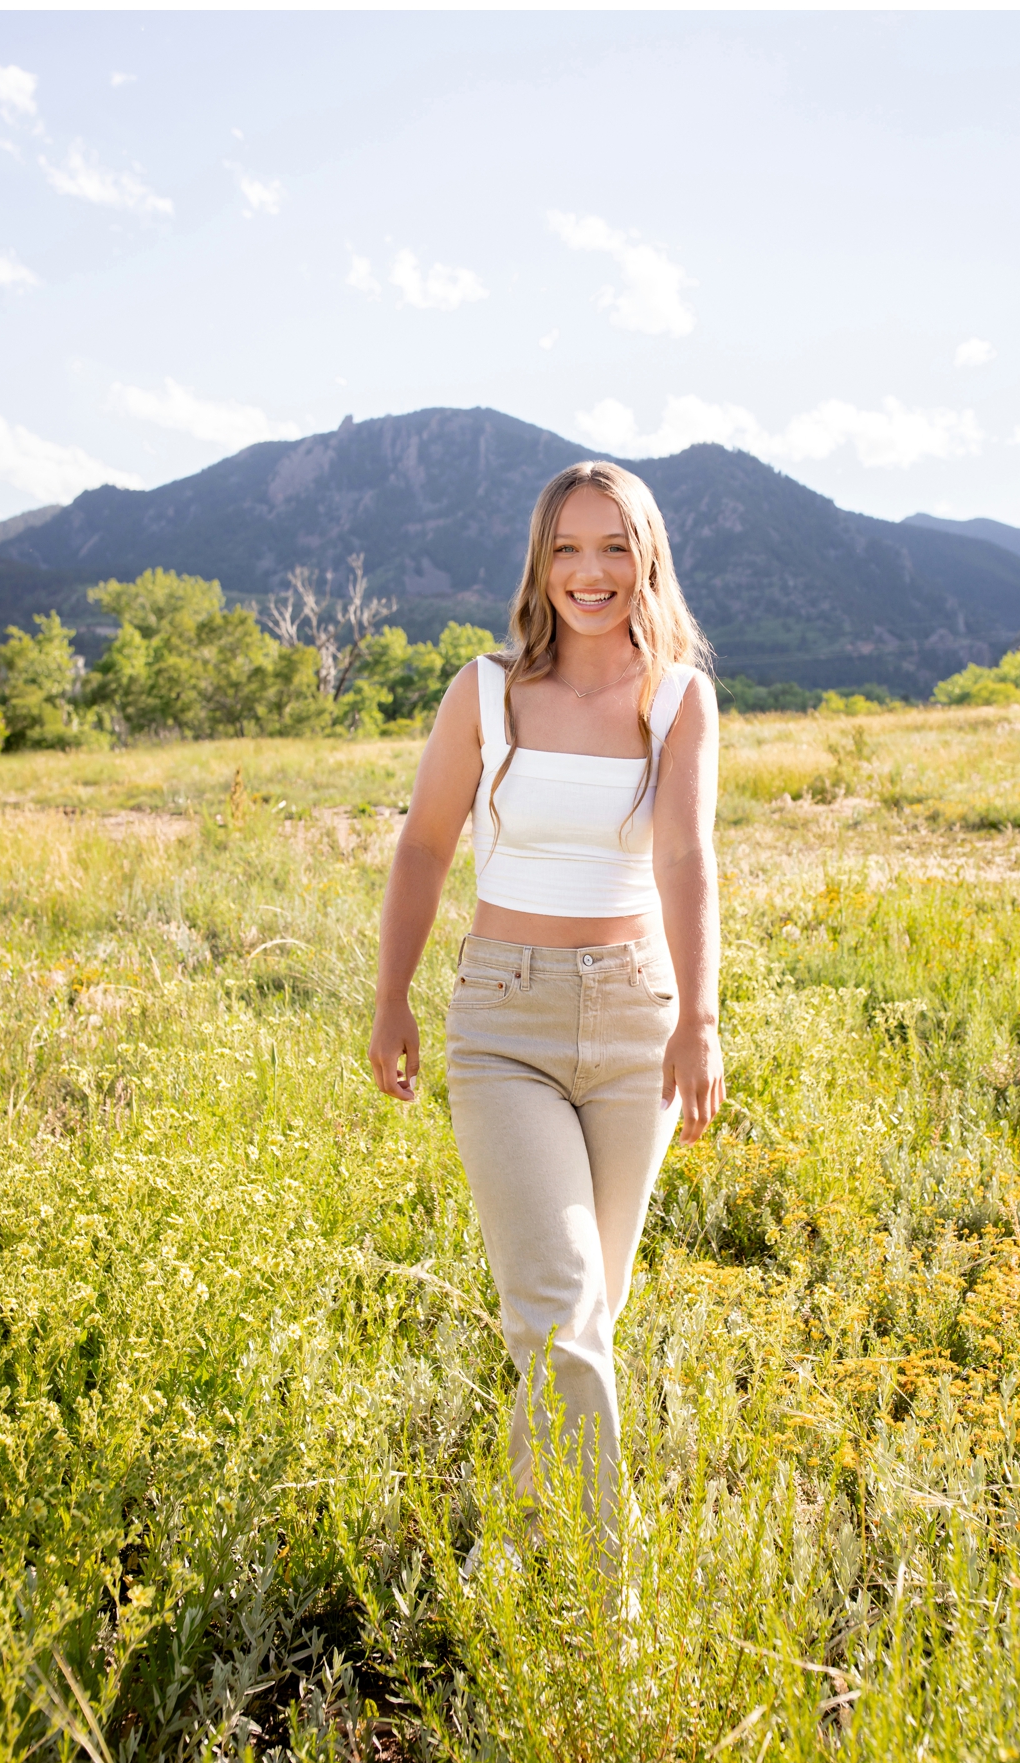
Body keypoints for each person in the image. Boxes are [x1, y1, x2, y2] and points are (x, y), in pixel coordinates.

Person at [365, 461, 722, 1532]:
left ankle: (525, 1558)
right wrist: (392, 998)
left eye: (614, 546)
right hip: (503, 1022)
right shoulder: (486, 691)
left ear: (646, 558)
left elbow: (688, 861)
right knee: (561, 1315)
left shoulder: (677, 698)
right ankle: (599, 1611)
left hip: (634, 1021)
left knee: (585, 1322)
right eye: (568, 547)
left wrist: (700, 1019)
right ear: (540, 560)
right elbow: (425, 847)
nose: (590, 571)